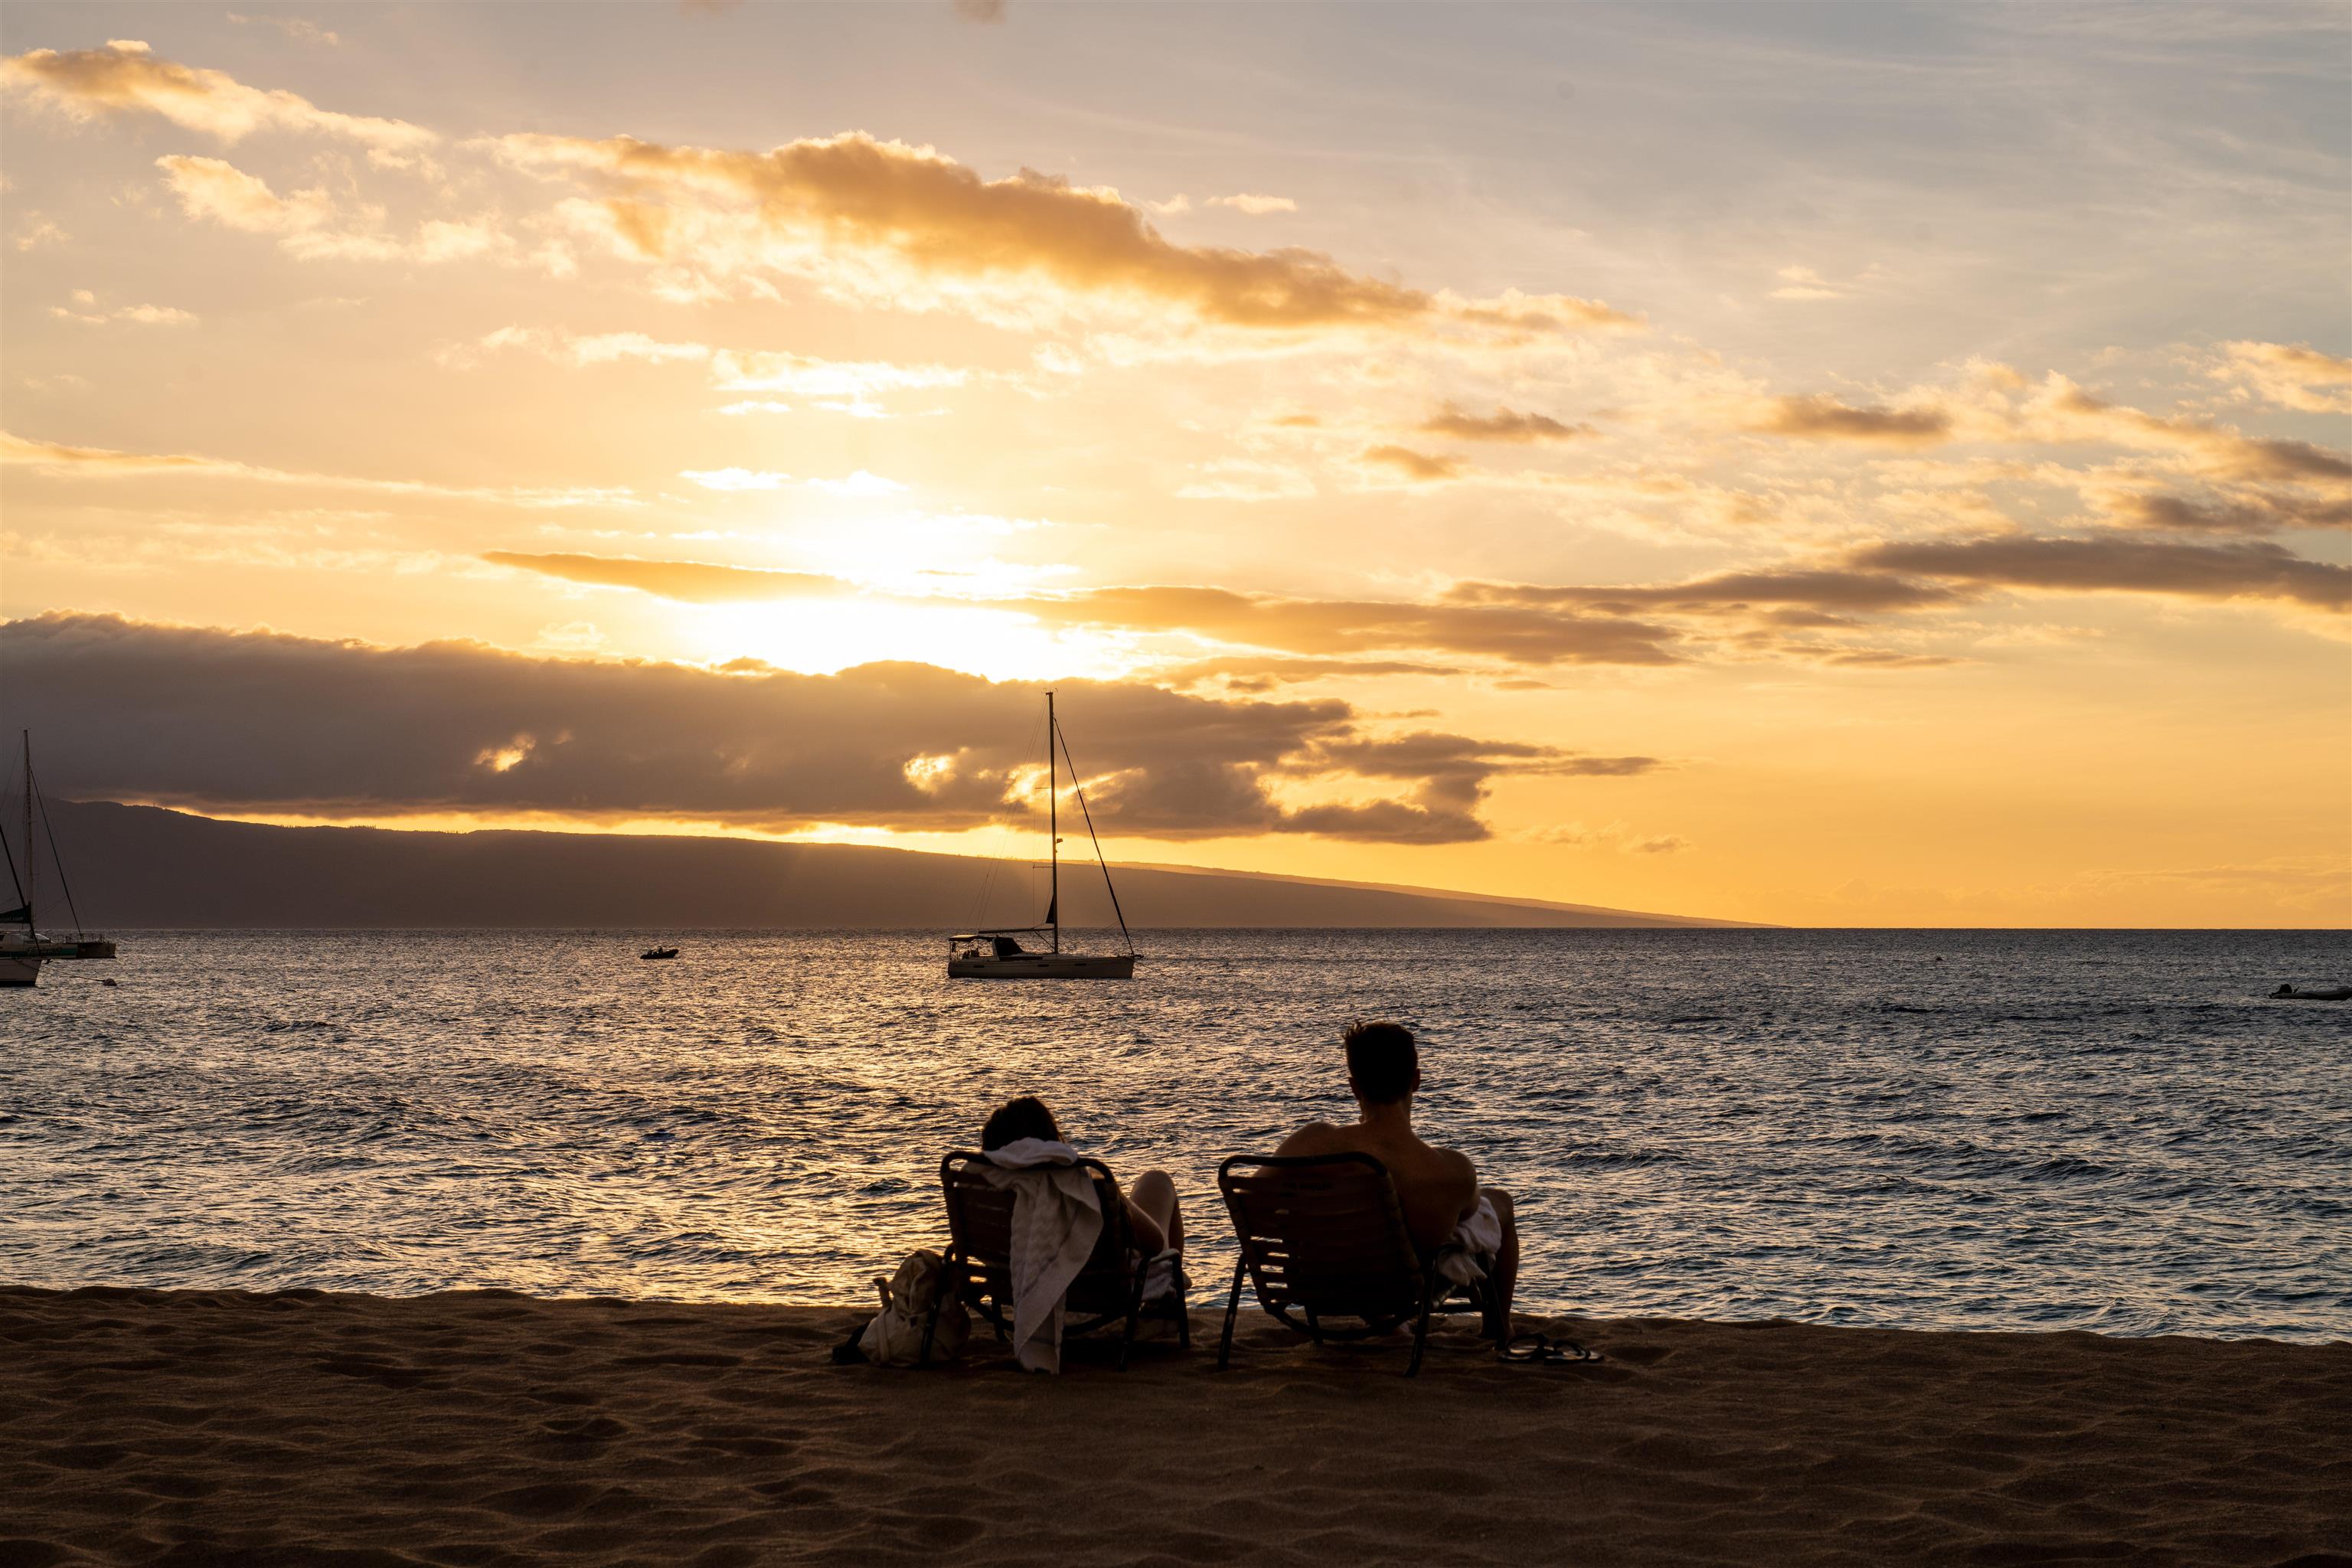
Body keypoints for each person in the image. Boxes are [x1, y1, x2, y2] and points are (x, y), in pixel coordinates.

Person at [1275, 1021, 1518, 1336]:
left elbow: (1259, 1193)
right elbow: (1472, 1214)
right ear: (1415, 1081)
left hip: (1319, 1279)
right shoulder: (1450, 1170)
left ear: (1354, 1087)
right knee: (1499, 1203)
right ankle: (1499, 1328)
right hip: (1399, 1287)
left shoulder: (1309, 1143)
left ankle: (1385, 1323)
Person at [981, 1096, 1182, 1258]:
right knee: (1157, 1180)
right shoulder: (1085, 1185)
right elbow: (1154, 1243)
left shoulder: (984, 1193)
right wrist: (1118, 1198)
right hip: (1111, 1286)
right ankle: (1173, 1285)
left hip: (1008, 1282)